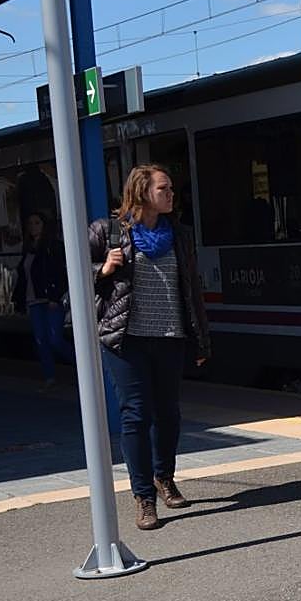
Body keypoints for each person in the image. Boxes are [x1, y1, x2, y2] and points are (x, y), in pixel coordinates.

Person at [90, 165, 211, 530]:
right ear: (142, 192)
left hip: (170, 336)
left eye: (170, 188)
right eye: (164, 189)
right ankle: (144, 497)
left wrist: (201, 339)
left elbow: (191, 288)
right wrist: (102, 270)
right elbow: (74, 276)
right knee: (136, 414)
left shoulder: (179, 234)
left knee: (168, 414)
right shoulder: (108, 231)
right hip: (126, 340)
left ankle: (164, 477)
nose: (171, 194)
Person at [12, 211, 74, 390]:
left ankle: (82, 366)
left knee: (55, 339)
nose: (33, 227)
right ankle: (49, 378)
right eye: (30, 223)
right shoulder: (28, 249)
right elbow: (24, 277)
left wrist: (55, 296)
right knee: (41, 340)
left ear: (45, 225)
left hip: (50, 300)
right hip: (33, 301)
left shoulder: (53, 246)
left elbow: (60, 272)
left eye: (37, 223)